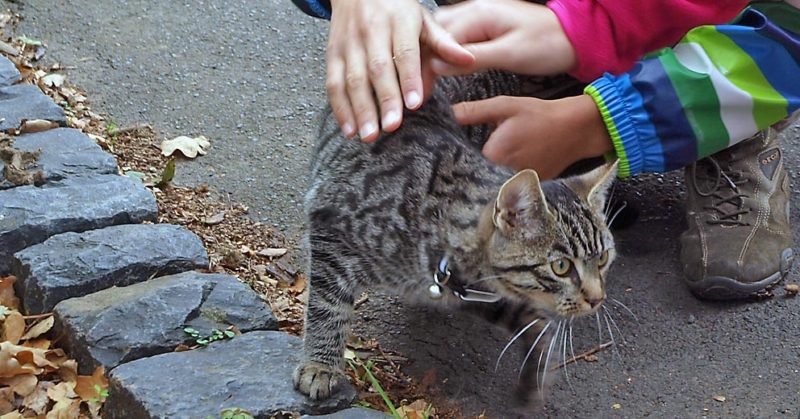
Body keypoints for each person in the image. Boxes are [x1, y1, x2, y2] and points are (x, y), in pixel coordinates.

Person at [290, 0, 800, 299]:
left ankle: (725, 122)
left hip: (754, 34)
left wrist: (604, 121)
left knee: (758, 45)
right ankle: (534, 87)